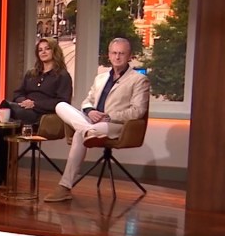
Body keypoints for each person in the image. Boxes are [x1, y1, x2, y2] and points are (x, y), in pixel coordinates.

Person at [44, 37, 150, 202]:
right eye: (114, 53)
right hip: (92, 121)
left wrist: (109, 116)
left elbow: (138, 111)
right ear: (109, 55)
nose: (117, 57)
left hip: (114, 125)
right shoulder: (100, 78)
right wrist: (90, 110)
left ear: (129, 56)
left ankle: (65, 187)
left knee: (79, 134)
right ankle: (89, 131)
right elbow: (87, 101)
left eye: (122, 53)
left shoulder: (138, 80)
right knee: (61, 106)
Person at [0, 37, 73, 185]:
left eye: (47, 49)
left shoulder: (62, 76)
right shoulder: (31, 73)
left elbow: (63, 102)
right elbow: (18, 93)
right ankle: (0, 176)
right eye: (40, 50)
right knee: (3, 129)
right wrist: (23, 102)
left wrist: (35, 104)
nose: (43, 52)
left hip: (42, 118)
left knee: (4, 105)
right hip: (23, 112)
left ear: (54, 51)